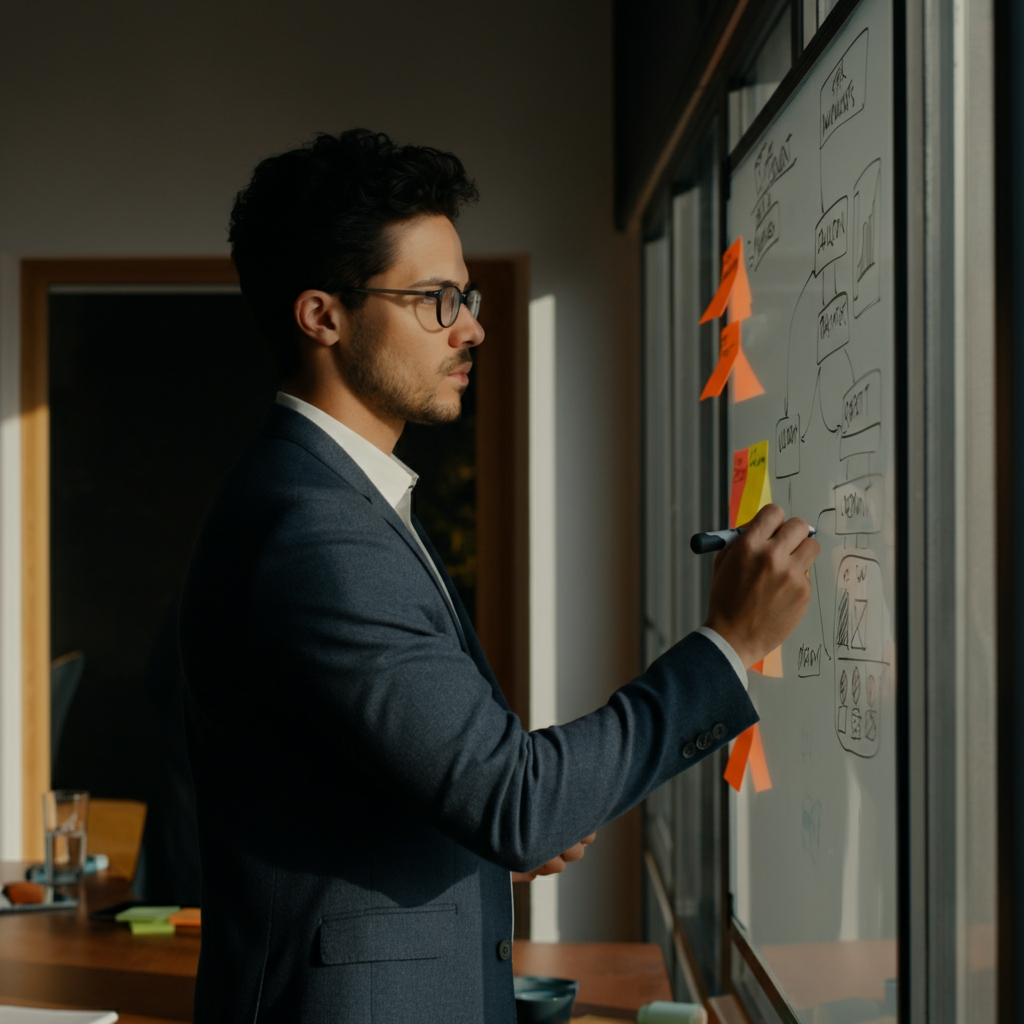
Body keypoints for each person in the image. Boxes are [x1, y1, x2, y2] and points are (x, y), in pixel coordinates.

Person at [179, 129, 820, 1024]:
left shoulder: (333, 500)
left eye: (465, 294)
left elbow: (426, 788)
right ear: (323, 316)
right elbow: (517, 799)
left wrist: (483, 831)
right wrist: (730, 646)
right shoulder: (319, 534)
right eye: (437, 299)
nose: (472, 324)